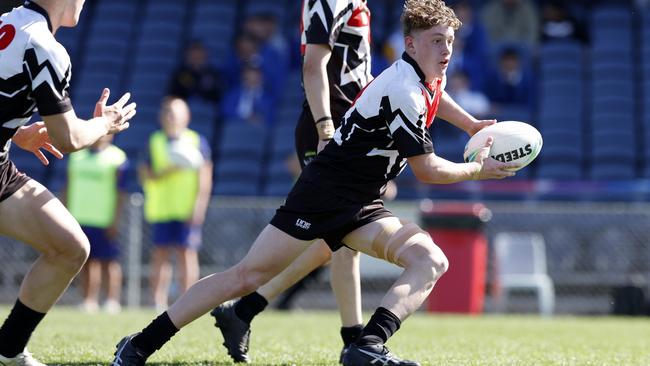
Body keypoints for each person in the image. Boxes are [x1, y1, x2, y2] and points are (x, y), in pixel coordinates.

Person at [111, 1, 517, 365]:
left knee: (431, 260)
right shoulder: (404, 90)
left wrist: (470, 125)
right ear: (410, 45)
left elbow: (439, 95)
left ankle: (367, 346)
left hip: (362, 203)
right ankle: (141, 344)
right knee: (246, 276)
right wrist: (478, 170)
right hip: (323, 195)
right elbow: (427, 170)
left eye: (449, 41)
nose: (446, 51)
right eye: (435, 42)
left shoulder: (428, 75)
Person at [212, 0, 372, 363]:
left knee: (341, 244)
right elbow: (313, 64)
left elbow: (355, 73)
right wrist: (325, 129)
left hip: (349, 126)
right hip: (330, 127)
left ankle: (247, 310)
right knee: (336, 239)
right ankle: (352, 340)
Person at [0, 0, 136, 364]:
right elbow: (69, 139)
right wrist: (106, 123)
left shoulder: (7, 23)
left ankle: (8, 350)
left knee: (70, 246)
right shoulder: (44, 47)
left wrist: (15, 134)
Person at [139, 97, 213, 312]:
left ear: (186, 117)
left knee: (186, 254)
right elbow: (145, 174)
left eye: (176, 113)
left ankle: (187, 301)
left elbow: (205, 177)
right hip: (162, 208)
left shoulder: (197, 141)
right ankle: (157, 301)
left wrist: (199, 207)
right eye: (168, 113)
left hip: (186, 209)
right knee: (160, 255)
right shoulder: (154, 141)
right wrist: (167, 170)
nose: (171, 117)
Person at [65, 134, 129, 314]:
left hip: (104, 219)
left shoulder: (118, 158)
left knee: (109, 262)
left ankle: (111, 301)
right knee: (86, 262)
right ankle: (88, 301)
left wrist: (115, 219)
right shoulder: (76, 157)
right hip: (79, 219)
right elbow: (67, 187)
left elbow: (121, 193)